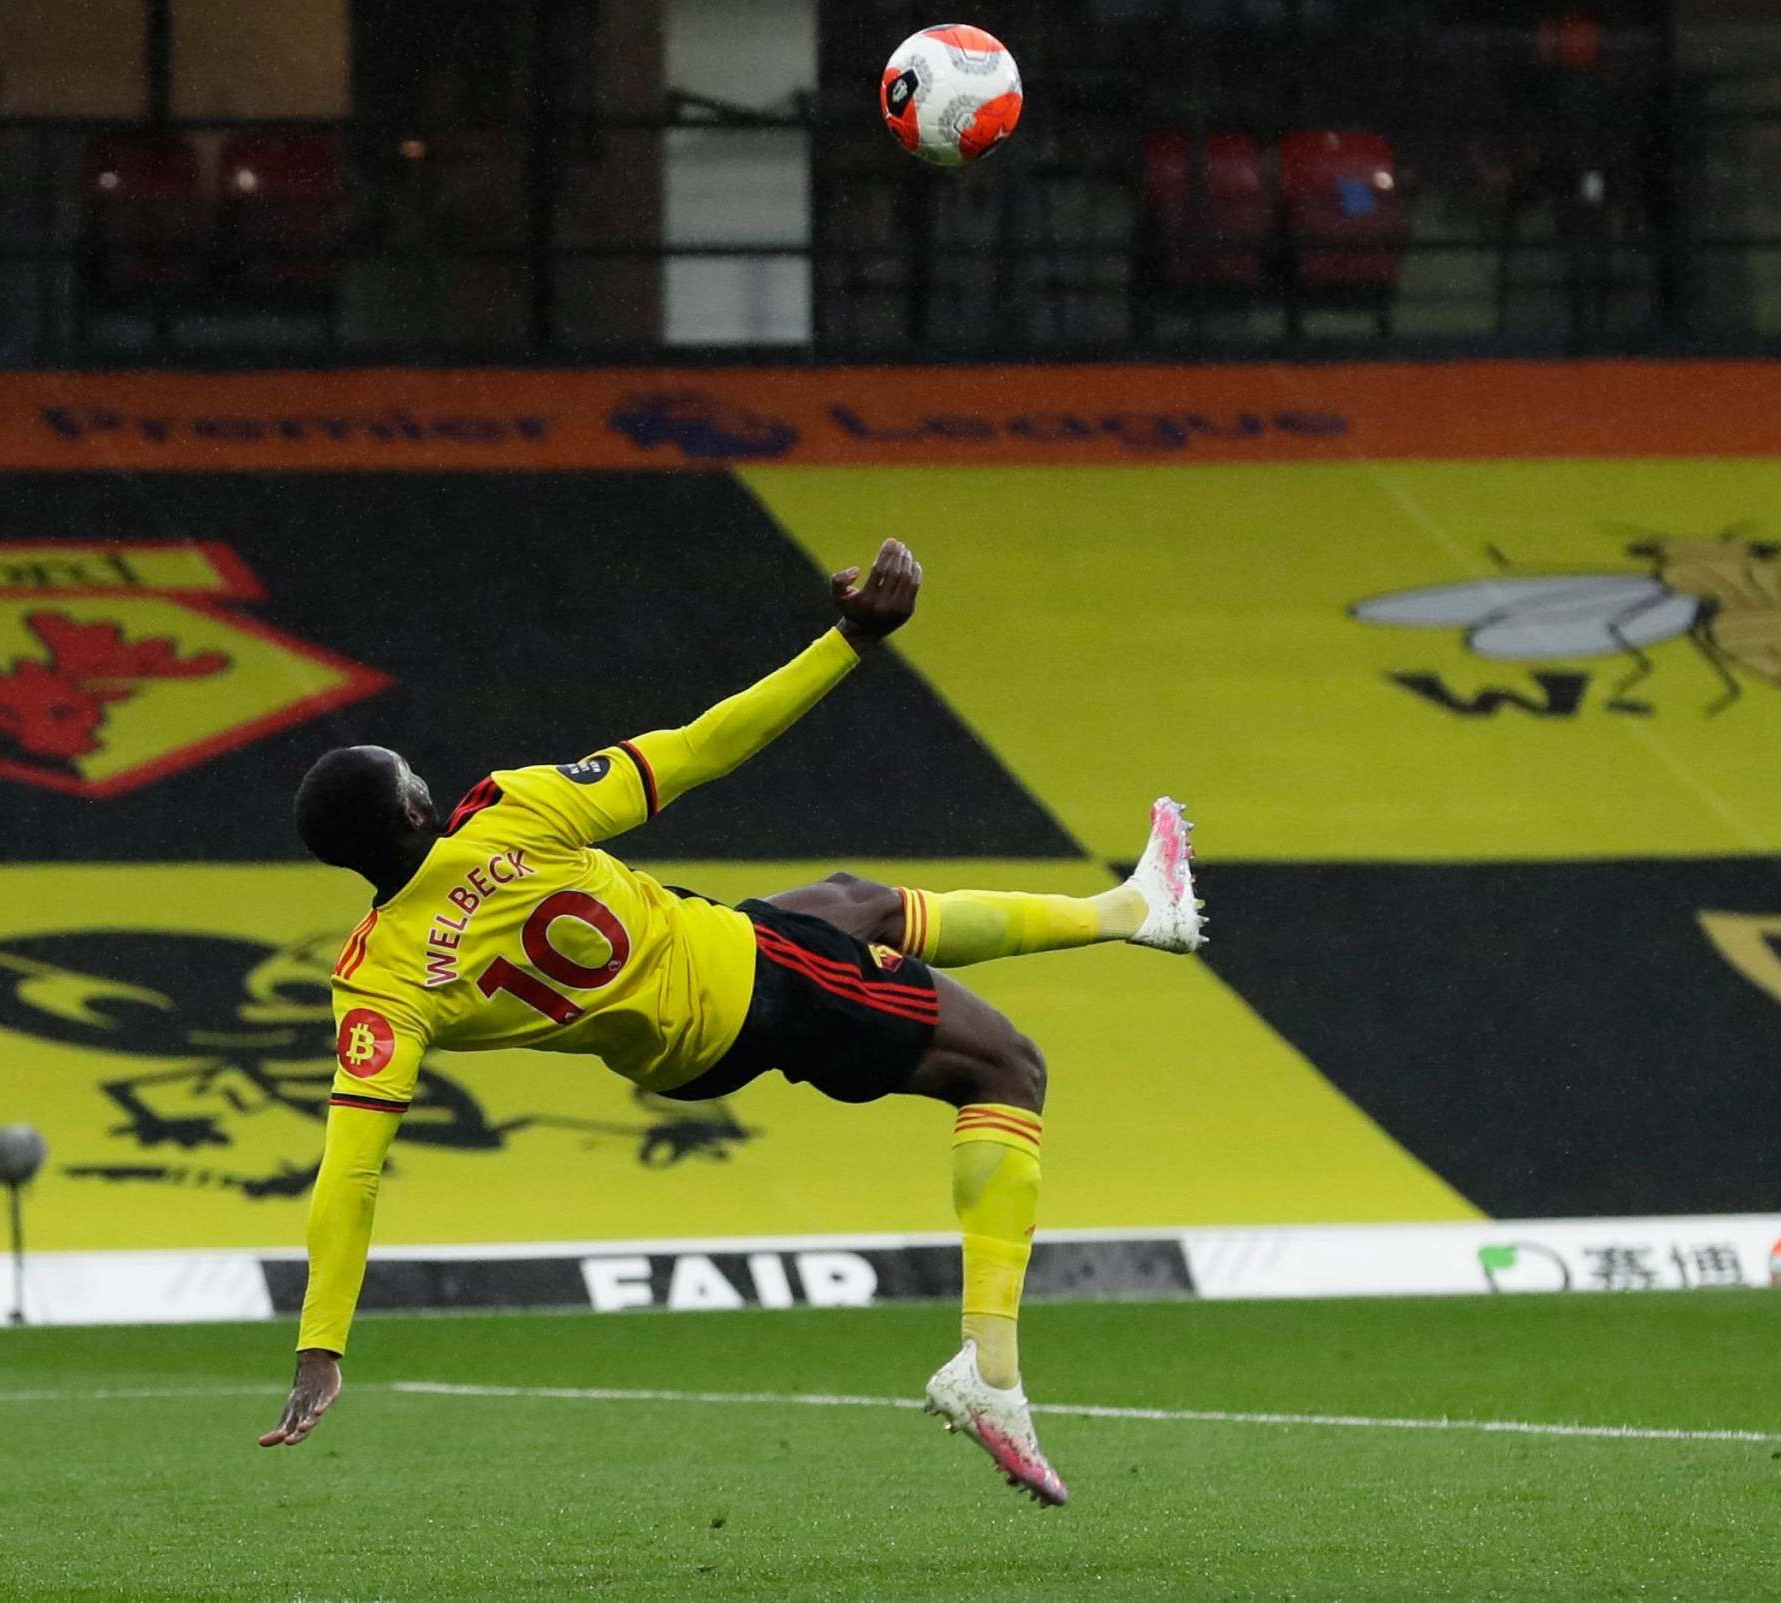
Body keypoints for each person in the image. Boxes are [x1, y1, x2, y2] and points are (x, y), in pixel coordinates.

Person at [258, 538, 1205, 1505]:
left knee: (854, 901)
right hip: (750, 986)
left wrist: (320, 1343)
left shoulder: (378, 980)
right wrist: (852, 639)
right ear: (417, 803)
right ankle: (991, 1370)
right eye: (413, 773)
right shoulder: (510, 812)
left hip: (680, 1045)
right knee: (1009, 1069)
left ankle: (1132, 913)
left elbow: (352, 1170)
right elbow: (709, 742)